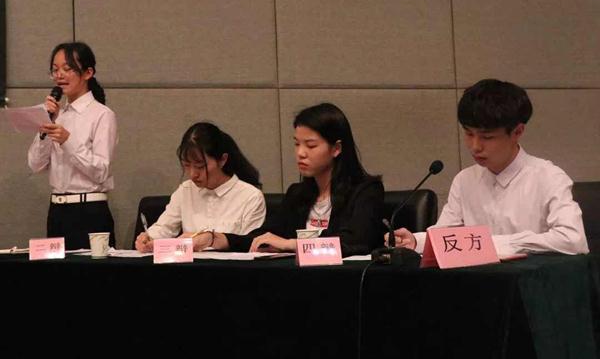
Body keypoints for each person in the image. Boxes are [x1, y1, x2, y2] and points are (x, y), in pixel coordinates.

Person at [388, 79, 589, 256]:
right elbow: (447, 237)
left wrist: (500, 243)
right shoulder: (465, 180)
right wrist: (416, 241)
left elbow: (573, 239)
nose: (475, 146)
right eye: (469, 134)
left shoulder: (548, 177)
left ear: (517, 132)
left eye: (487, 137)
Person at [189, 103, 385, 257]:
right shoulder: (298, 194)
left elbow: (356, 242)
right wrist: (216, 239)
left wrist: (291, 244)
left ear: (336, 148)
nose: (300, 153)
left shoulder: (366, 190)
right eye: (297, 144)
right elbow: (266, 236)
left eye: (310, 145)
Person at [28, 42, 118, 250]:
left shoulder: (102, 115)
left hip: (89, 212)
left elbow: (101, 171)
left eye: (67, 69)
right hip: (57, 211)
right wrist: (44, 127)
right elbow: (35, 165)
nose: (60, 75)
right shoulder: (57, 115)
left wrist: (68, 141)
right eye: (55, 70)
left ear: (88, 73)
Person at [135, 122, 266, 252]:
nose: (193, 174)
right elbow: (164, 228)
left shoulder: (250, 196)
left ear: (222, 160)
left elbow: (251, 245)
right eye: (186, 165)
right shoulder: (185, 190)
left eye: (200, 166)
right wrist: (148, 238)